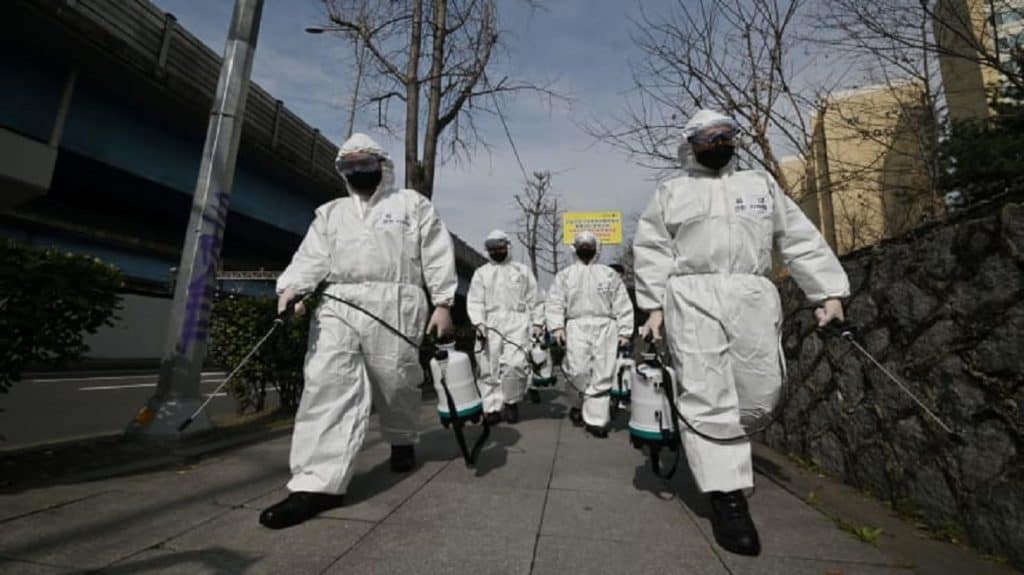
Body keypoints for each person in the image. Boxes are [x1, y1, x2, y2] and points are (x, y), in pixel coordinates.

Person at [633, 110, 849, 556]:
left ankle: (716, 446)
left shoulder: (760, 185)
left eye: (726, 134)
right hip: (692, 295)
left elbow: (798, 238)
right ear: (690, 144)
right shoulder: (673, 192)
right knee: (707, 393)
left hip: (751, 294)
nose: (719, 141)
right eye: (708, 137)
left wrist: (827, 292)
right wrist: (652, 306)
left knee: (759, 390)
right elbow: (652, 248)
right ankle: (727, 497)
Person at [259, 133, 457, 530]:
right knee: (325, 384)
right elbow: (311, 258)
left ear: (382, 165)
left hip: (397, 301)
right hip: (339, 304)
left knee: (396, 381)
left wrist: (443, 303)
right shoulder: (330, 214)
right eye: (349, 165)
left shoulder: (411, 205)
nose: (357, 171)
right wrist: (292, 290)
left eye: (365, 163)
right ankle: (315, 485)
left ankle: (402, 438)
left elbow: (436, 252)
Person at [547, 231, 634, 438]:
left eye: (589, 244)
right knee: (577, 370)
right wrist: (557, 327)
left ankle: (596, 420)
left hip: (606, 326)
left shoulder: (608, 274)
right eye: (581, 244)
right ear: (575, 248)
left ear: (597, 248)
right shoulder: (565, 275)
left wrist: (625, 331)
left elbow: (622, 303)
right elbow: (555, 302)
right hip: (576, 326)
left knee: (603, 372)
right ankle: (577, 403)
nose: (586, 248)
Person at [467, 229, 544, 424]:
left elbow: (535, 299)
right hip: (490, 323)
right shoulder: (481, 273)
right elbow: (475, 301)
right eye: (492, 249)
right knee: (489, 366)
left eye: (500, 247)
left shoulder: (522, 271)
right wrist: (479, 323)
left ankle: (511, 401)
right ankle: (492, 407)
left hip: (517, 322)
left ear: (507, 246)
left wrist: (537, 322)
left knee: (515, 364)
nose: (496, 251)